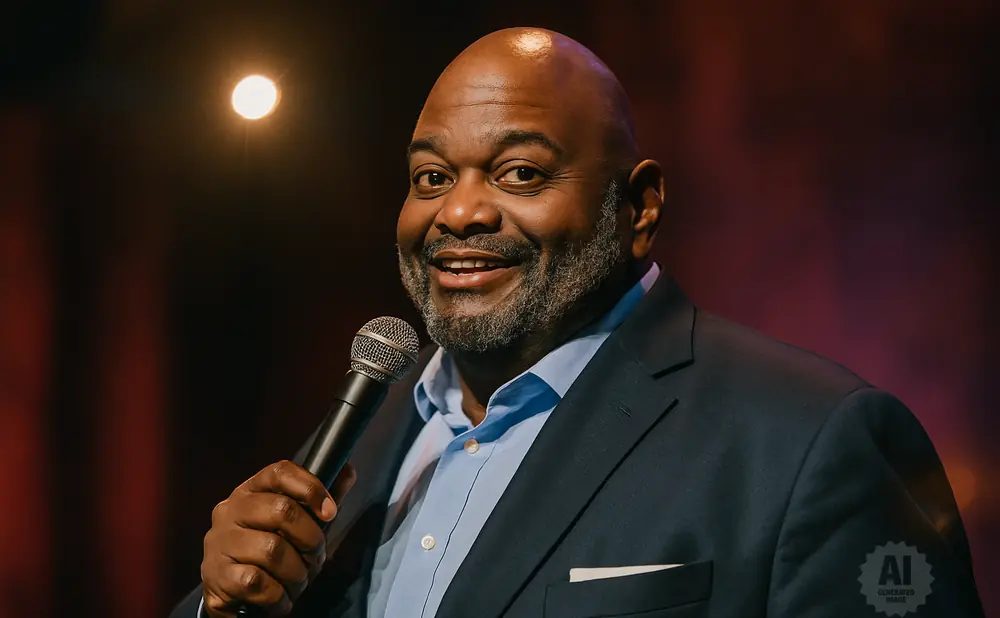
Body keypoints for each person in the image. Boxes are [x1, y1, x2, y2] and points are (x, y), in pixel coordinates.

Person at [170, 27, 984, 618]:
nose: (458, 211)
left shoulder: (810, 441)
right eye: (430, 176)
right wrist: (222, 608)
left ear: (637, 206)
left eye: (520, 172)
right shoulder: (366, 436)